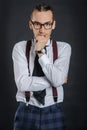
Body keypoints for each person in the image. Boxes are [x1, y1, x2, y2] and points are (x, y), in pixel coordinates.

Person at [12, 3, 71, 130]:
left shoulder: (64, 48)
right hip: (26, 111)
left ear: (53, 24)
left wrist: (40, 53)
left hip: (54, 111)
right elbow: (22, 84)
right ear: (30, 24)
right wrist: (56, 81)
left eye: (47, 24)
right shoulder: (20, 48)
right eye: (37, 24)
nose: (42, 30)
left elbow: (55, 80)